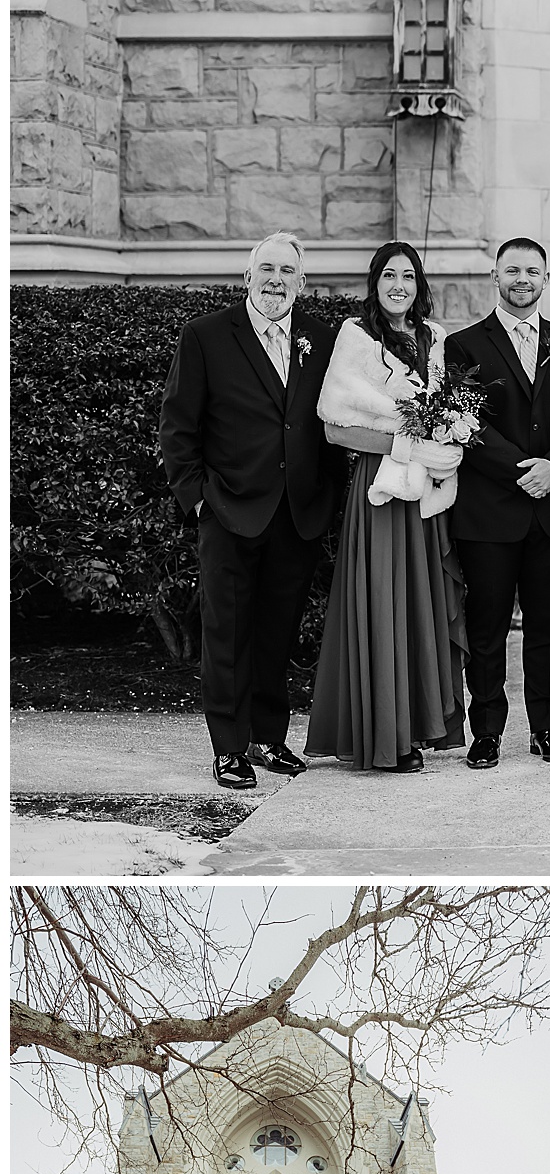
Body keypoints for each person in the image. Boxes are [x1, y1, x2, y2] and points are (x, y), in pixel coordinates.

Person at [159, 232, 342, 790]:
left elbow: (330, 423)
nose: (276, 280)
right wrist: (197, 499)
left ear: (302, 283)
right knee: (227, 633)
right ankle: (229, 747)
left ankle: (268, 737)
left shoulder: (322, 339)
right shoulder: (207, 336)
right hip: (228, 510)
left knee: (277, 633)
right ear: (247, 276)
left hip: (296, 515)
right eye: (267, 269)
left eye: (287, 272)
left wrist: (326, 498)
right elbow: (178, 425)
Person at [307, 240, 468, 771]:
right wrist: (407, 445)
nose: (399, 286)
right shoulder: (356, 337)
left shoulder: (434, 338)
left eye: (408, 276)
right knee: (383, 601)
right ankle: (385, 737)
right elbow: (335, 427)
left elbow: (444, 410)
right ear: (374, 283)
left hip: (425, 491)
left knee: (419, 600)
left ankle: (419, 725)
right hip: (380, 488)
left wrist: (447, 438)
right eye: (389, 276)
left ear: (420, 285)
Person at [447, 236, 550, 769]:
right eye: (512, 270)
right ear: (495, 277)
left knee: (548, 627)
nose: (522, 279)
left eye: (532, 271)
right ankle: (486, 732)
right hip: (490, 512)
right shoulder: (463, 345)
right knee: (488, 629)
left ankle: (547, 728)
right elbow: (467, 424)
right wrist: (526, 470)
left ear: (546, 278)